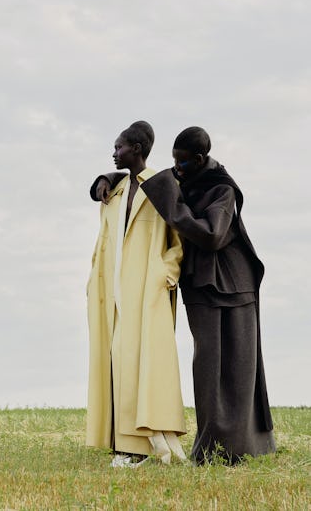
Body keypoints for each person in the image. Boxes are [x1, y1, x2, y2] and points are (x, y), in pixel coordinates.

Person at [131, 127, 274, 464]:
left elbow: (212, 235)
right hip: (202, 282)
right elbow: (149, 180)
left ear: (198, 159)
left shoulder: (222, 187)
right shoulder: (187, 179)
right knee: (208, 367)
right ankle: (211, 448)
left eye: (181, 162)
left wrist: (171, 201)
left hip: (234, 281)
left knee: (240, 368)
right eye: (173, 162)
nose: (176, 168)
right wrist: (107, 179)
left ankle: (241, 447)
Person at [86, 122, 188, 468]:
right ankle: (121, 443)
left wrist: (165, 274)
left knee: (138, 361)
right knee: (115, 361)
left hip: (147, 288)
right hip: (111, 288)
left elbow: (179, 240)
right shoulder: (112, 191)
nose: (114, 153)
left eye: (119, 147)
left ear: (137, 148)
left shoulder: (163, 185)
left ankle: (138, 446)